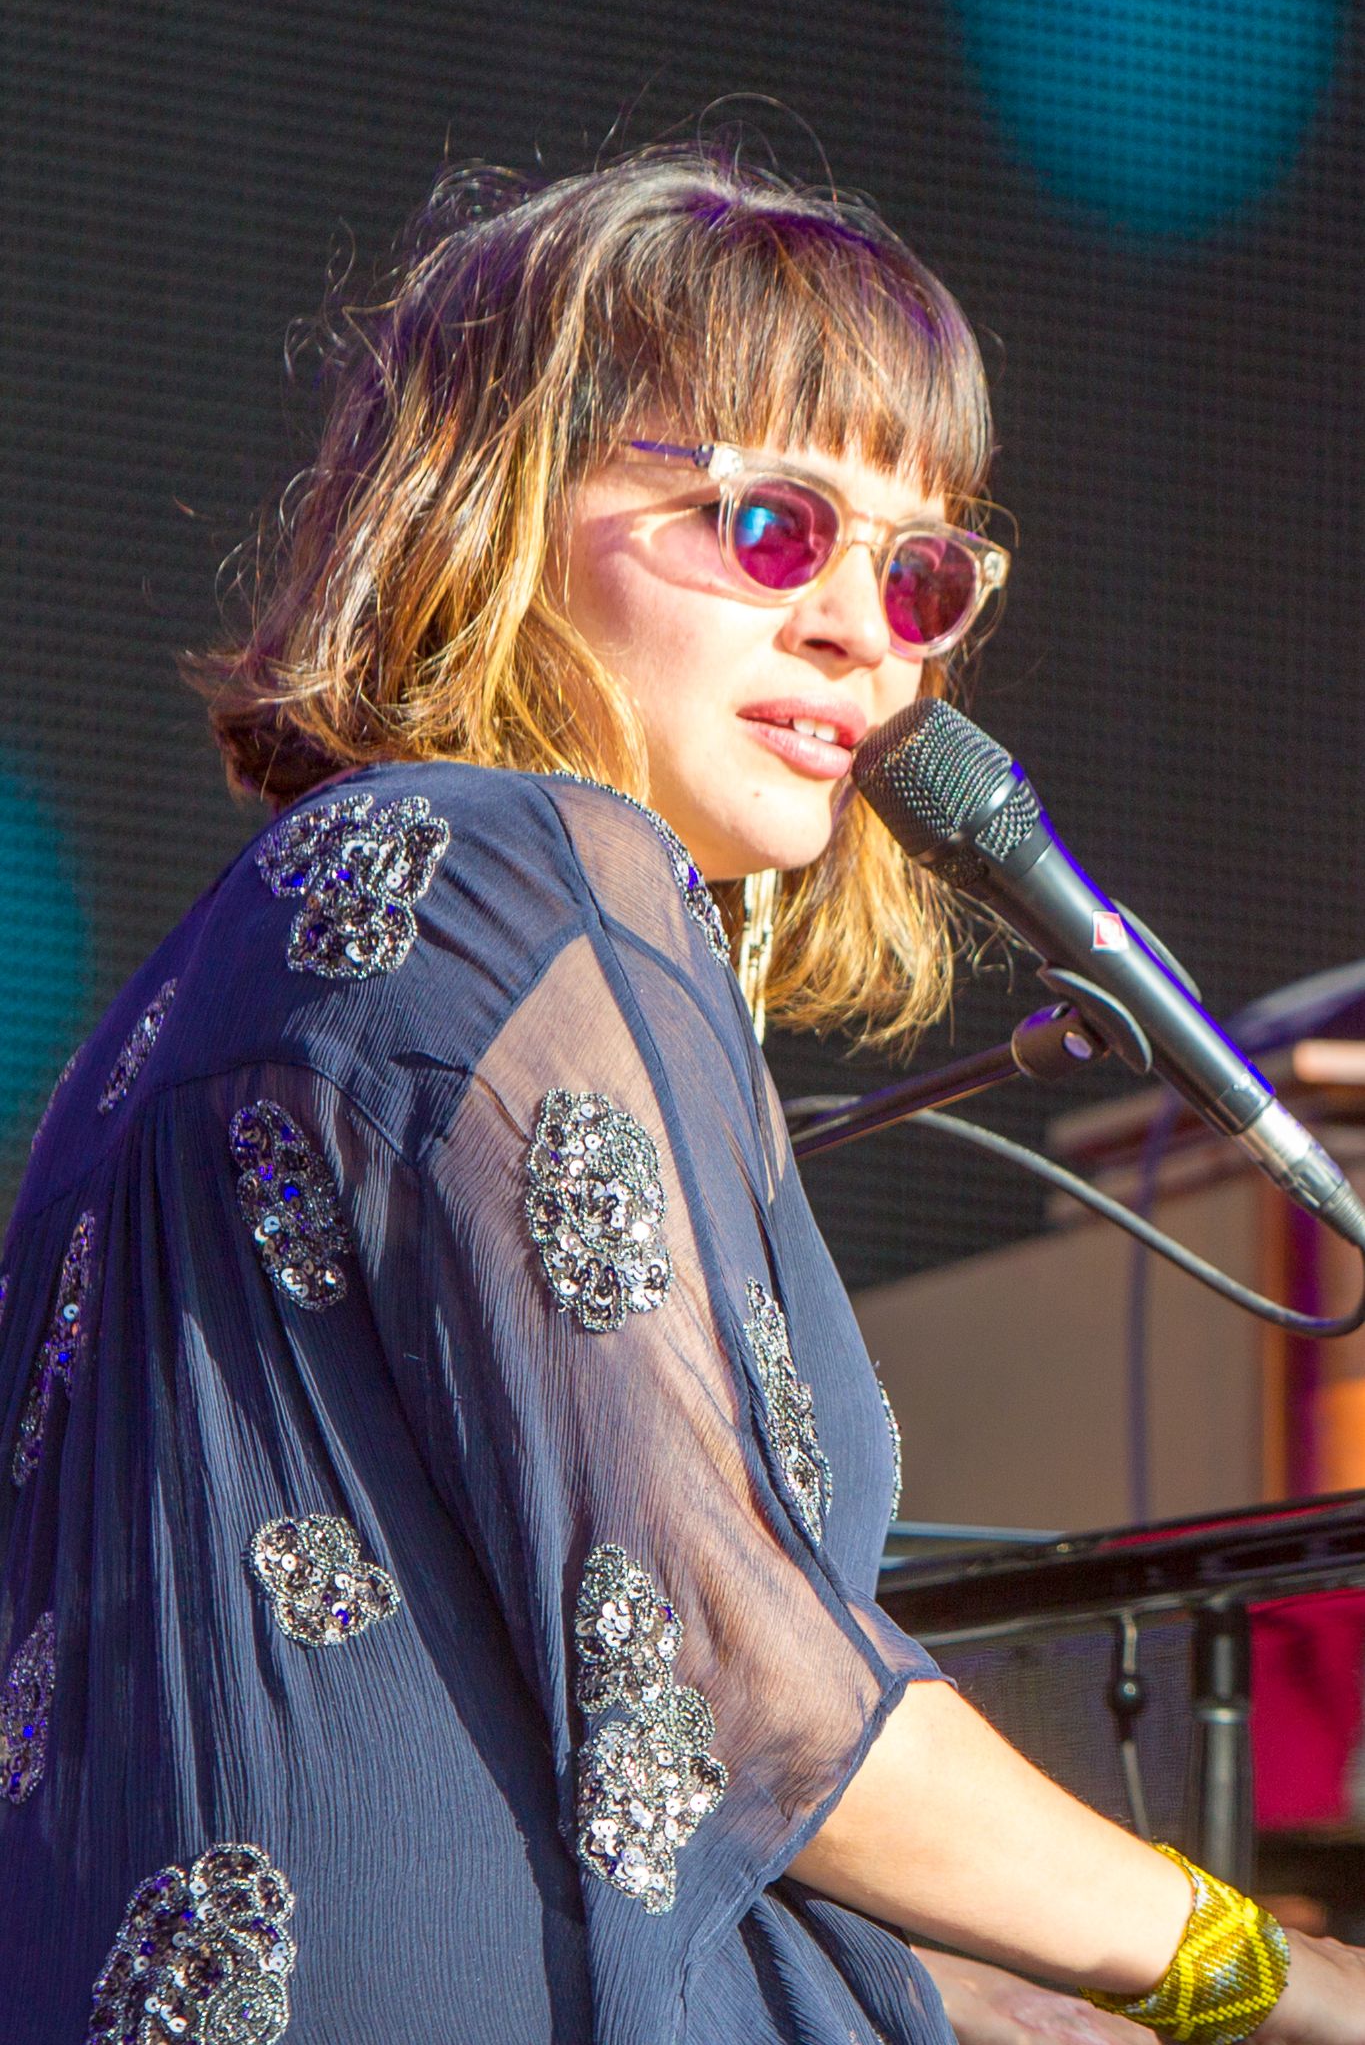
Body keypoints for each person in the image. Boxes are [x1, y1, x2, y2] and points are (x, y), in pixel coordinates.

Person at [1, 142, 1361, 2045]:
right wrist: (1267, 1976)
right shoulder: (527, 867)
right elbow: (739, 1685)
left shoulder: (246, 956)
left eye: (922, 570)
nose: (866, 638)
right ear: (492, 504)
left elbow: (567, 1795)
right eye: (772, 528)